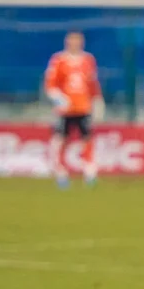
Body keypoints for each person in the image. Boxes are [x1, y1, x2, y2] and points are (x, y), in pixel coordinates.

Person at [44, 31, 103, 187]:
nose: (75, 44)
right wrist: (59, 98)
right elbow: (50, 84)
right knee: (60, 139)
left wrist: (97, 100)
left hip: (83, 107)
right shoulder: (59, 60)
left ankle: (90, 172)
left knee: (87, 139)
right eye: (72, 41)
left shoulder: (88, 60)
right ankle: (61, 172)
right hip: (65, 110)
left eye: (78, 41)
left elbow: (93, 82)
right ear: (67, 42)